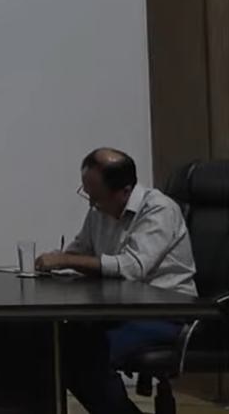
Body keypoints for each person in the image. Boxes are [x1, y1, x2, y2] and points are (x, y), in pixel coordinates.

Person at [35, 148, 197, 414]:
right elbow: (80, 251)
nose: (91, 204)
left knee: (87, 357)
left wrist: (67, 261)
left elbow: (132, 267)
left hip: (164, 314)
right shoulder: (99, 210)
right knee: (50, 345)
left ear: (125, 191)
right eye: (87, 194)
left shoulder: (159, 210)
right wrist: (53, 264)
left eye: (96, 197)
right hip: (116, 311)